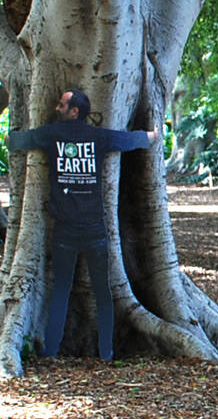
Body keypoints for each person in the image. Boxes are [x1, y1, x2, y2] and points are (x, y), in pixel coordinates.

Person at [9, 89, 156, 361]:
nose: (57, 107)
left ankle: (54, 350)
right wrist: (151, 136)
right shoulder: (97, 137)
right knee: (101, 293)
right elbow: (126, 140)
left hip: (71, 231)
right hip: (91, 230)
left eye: (62, 104)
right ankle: (106, 352)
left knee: (62, 291)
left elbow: (20, 141)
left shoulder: (52, 134)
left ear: (74, 111)